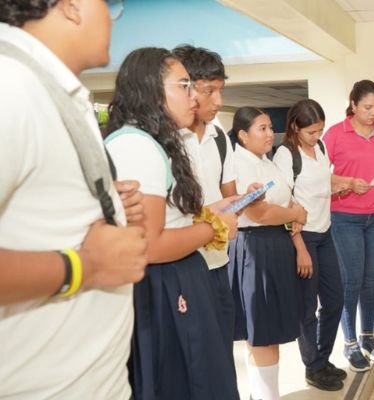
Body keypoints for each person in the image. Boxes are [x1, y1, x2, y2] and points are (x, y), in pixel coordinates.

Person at [0, 1, 148, 397]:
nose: (112, 17)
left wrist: (102, 204)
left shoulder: (47, 87)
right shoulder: (10, 85)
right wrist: (88, 265)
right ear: (69, 6)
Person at [104, 47, 239, 400]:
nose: (193, 97)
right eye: (184, 86)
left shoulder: (152, 143)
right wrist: (214, 228)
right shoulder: (138, 147)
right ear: (151, 89)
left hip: (177, 278)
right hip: (165, 285)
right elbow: (151, 245)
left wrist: (210, 216)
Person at [227, 106, 308, 399]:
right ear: (242, 135)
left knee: (269, 331)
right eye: (261, 128)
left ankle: (263, 394)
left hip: (275, 245)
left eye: (270, 127)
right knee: (261, 332)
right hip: (255, 247)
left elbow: (283, 203)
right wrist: (293, 212)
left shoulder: (266, 161)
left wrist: (293, 214)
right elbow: (259, 213)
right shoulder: (239, 163)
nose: (269, 133)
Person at [273, 100, 346, 391]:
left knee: (335, 299)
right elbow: (284, 201)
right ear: (295, 127)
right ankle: (312, 366)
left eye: (320, 130)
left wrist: (344, 183)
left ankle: (322, 356)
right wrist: (299, 247)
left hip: (325, 233)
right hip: (303, 238)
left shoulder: (322, 147)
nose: (317, 136)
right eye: (312, 131)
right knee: (307, 306)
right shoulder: (285, 155)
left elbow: (321, 180)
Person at [171, 44, 238, 359]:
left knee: (222, 355)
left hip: (218, 263)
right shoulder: (164, 142)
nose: (219, 101)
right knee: (191, 361)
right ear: (185, 88)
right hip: (180, 269)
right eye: (209, 91)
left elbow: (227, 195)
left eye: (220, 90)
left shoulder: (220, 137)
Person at [323, 79, 374, 372]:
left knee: (371, 279)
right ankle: (350, 343)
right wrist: (348, 183)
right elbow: (318, 175)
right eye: (368, 107)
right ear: (353, 105)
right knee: (351, 280)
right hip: (345, 217)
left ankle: (368, 336)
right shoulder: (334, 135)